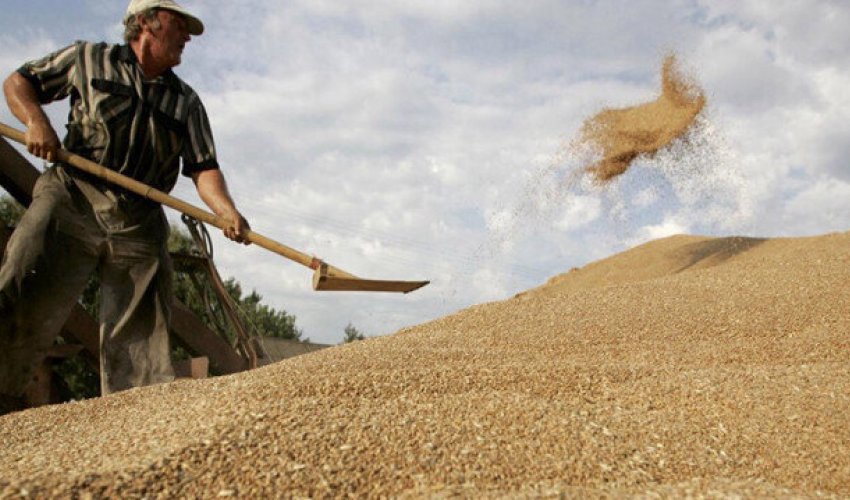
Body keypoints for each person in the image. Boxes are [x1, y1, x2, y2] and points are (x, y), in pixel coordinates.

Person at [0, 0, 250, 414]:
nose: (187, 35)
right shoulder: (87, 58)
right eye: (179, 24)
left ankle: (135, 419)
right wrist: (35, 121)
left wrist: (226, 211)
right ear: (147, 23)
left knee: (142, 339)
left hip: (138, 217)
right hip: (73, 194)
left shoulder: (185, 102)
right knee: (24, 280)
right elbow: (18, 83)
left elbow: (204, 169)